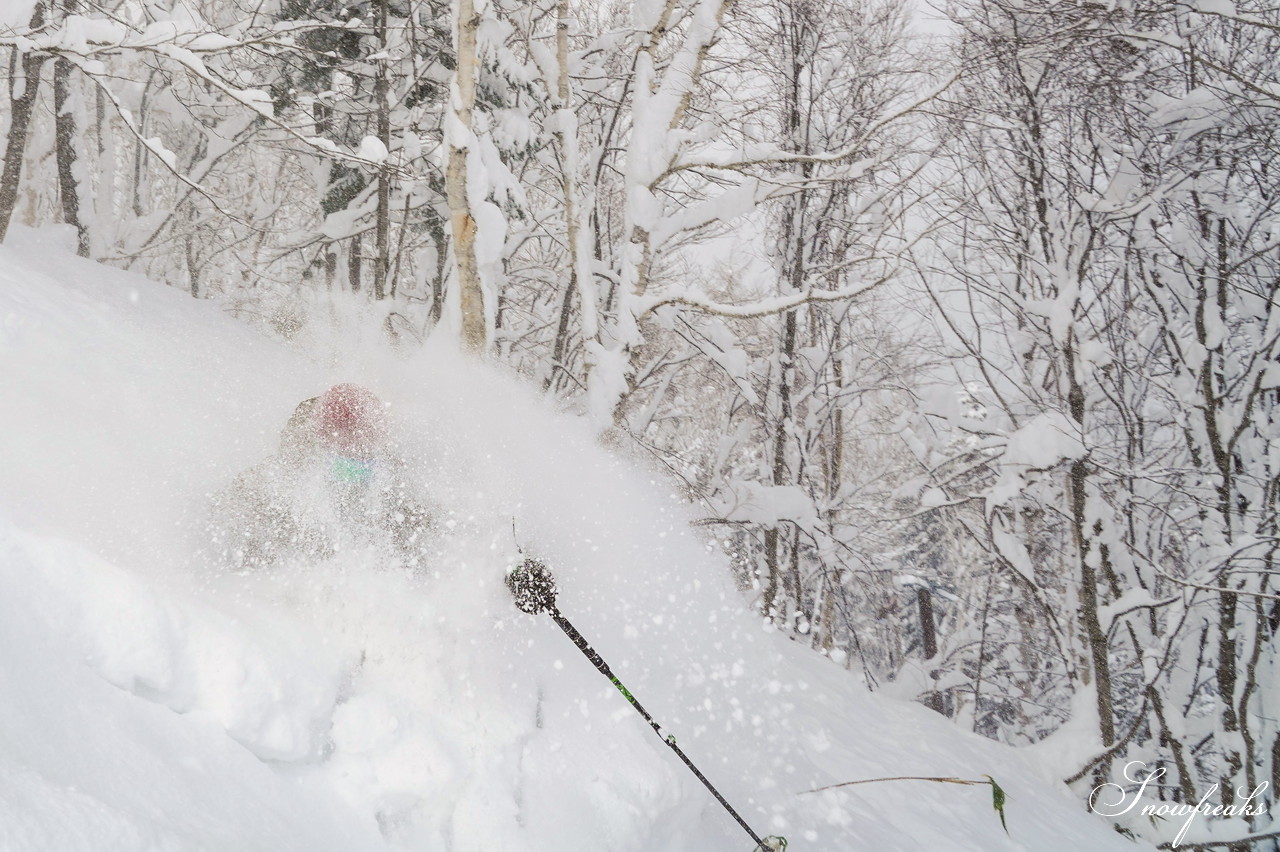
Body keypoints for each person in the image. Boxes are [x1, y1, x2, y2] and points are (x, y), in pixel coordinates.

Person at [208, 384, 434, 570]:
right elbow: (237, 501)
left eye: (363, 463)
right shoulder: (289, 469)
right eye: (345, 464)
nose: (354, 473)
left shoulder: (384, 465)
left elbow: (410, 514)